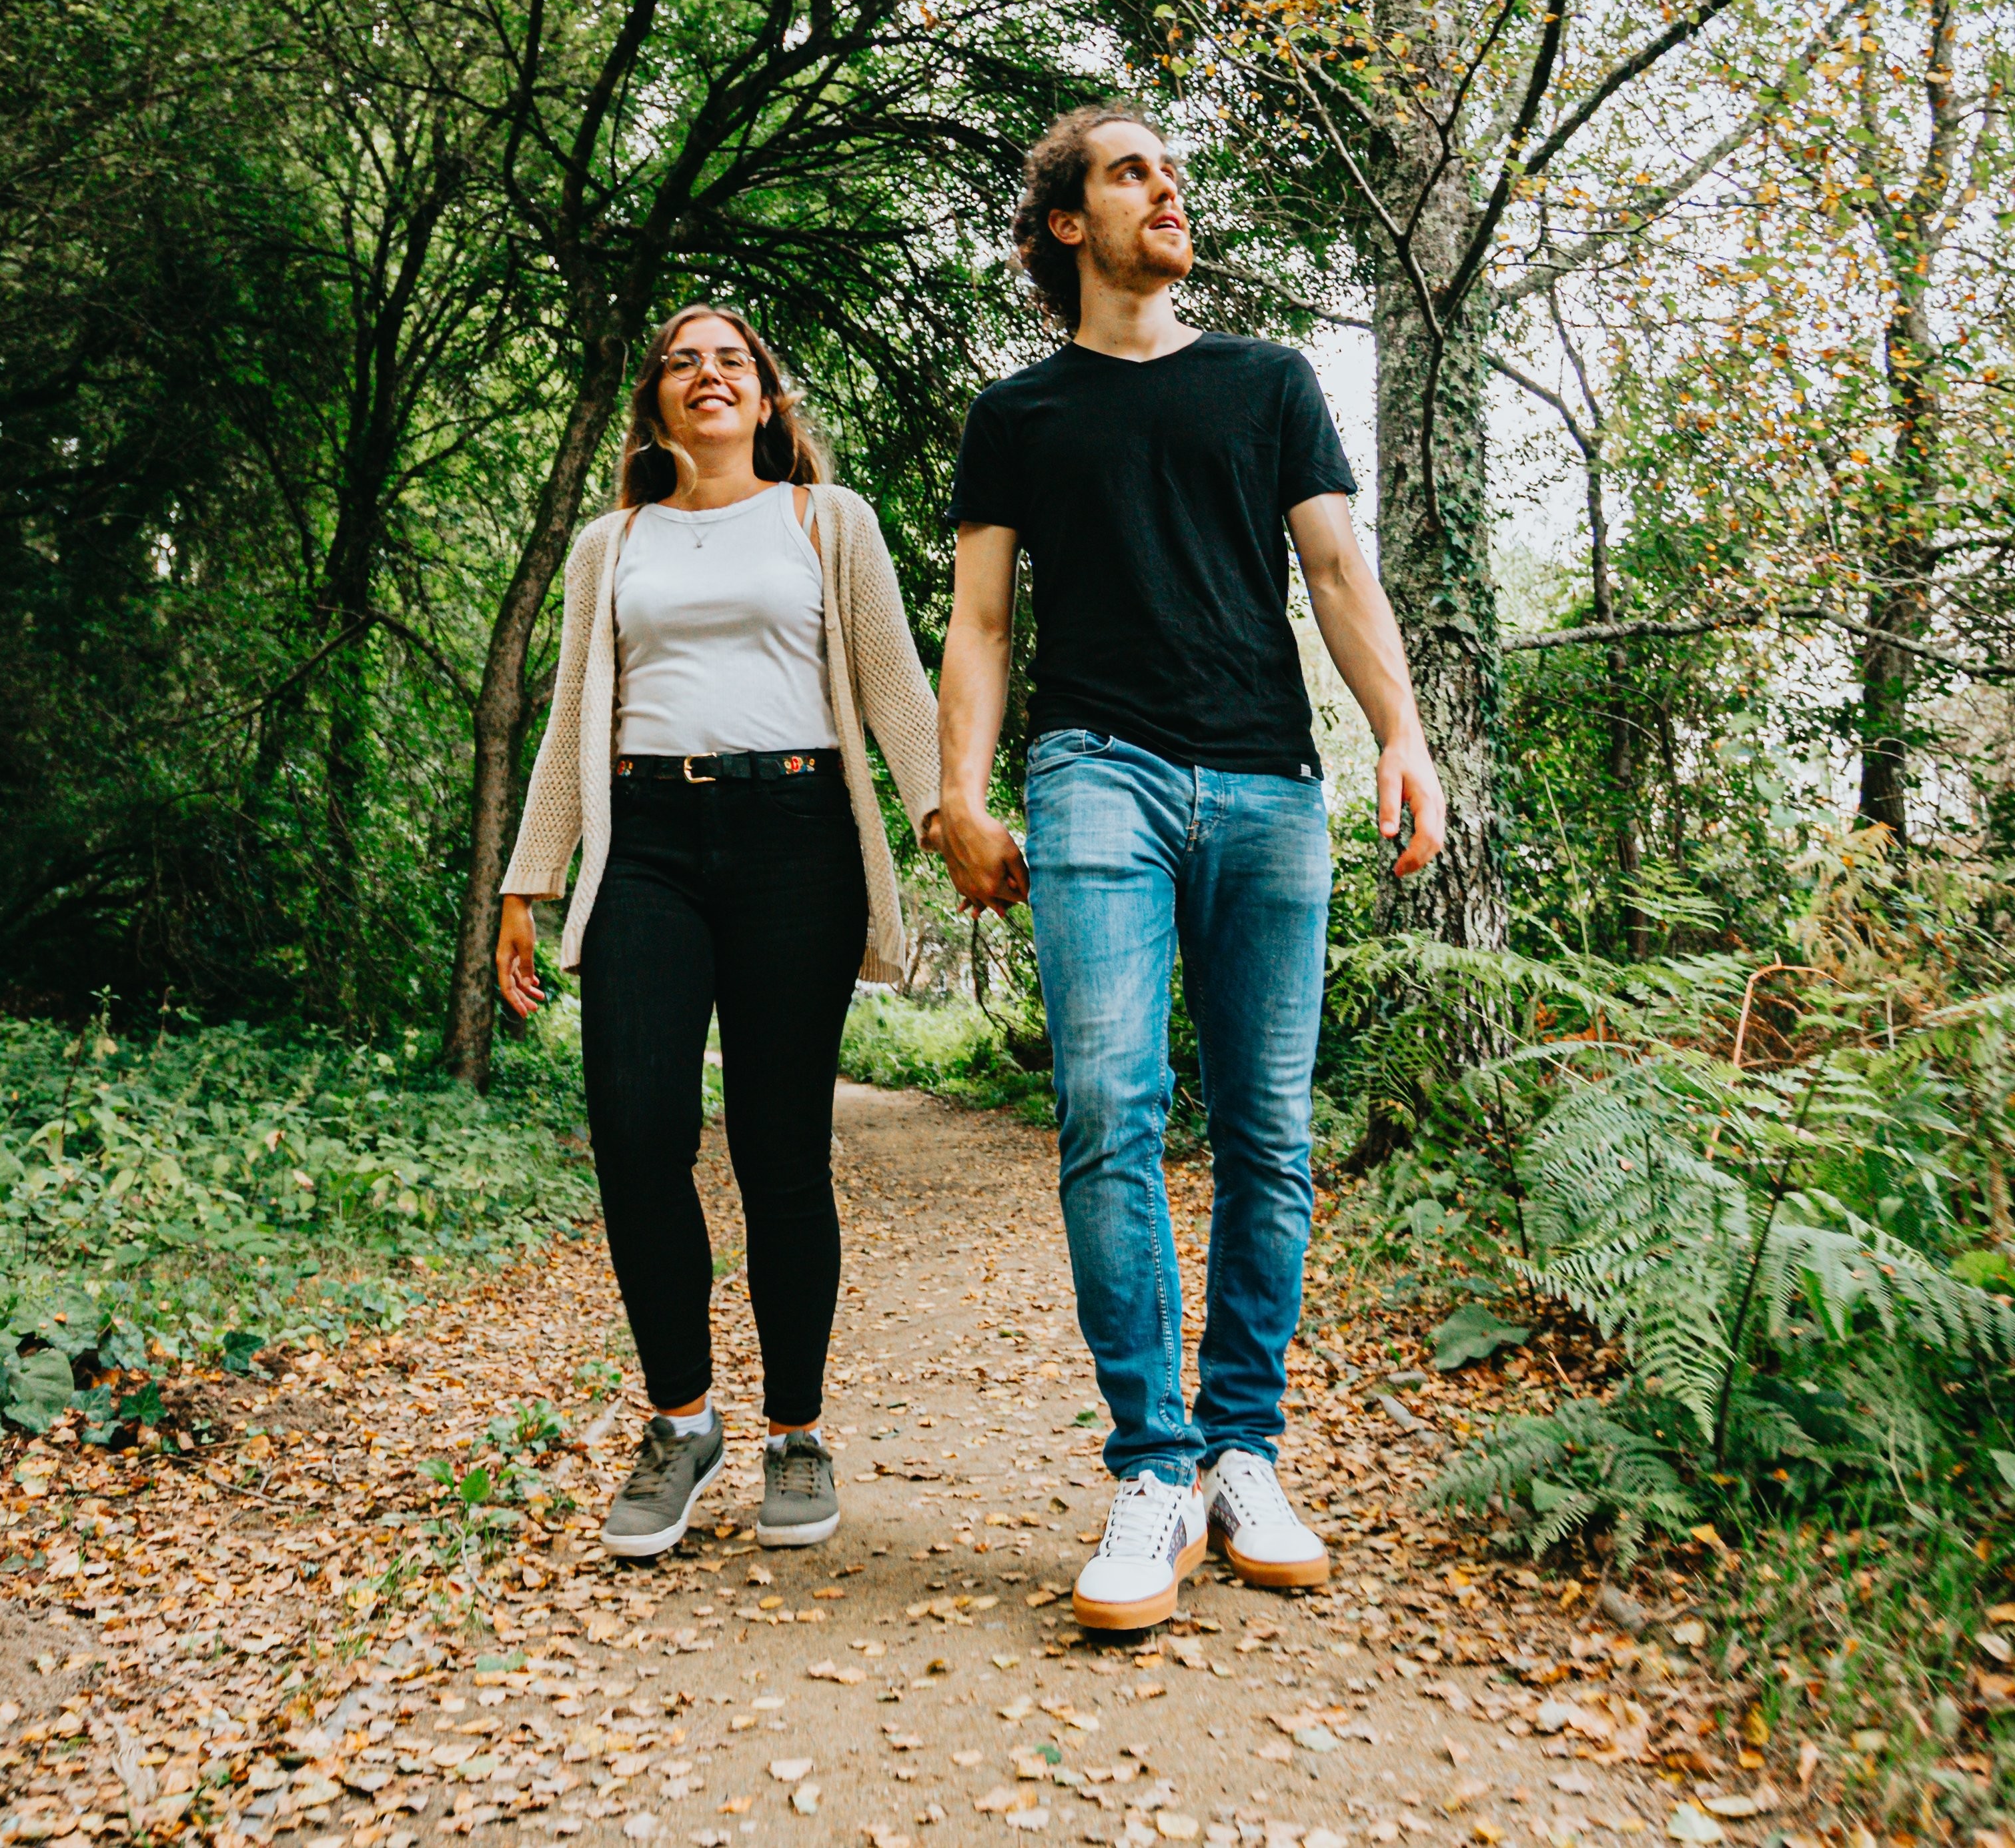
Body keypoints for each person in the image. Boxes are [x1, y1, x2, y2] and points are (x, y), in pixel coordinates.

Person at [934, 105, 1447, 1630]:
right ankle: (1152, 1467)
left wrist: (1402, 736)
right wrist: (960, 795)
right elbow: (979, 624)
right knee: (1111, 1104)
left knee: (1270, 1128)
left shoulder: (1266, 379)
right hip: (1097, 773)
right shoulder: (1015, 414)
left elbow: (1339, 571)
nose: (1165, 188)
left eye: (1170, 169)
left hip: (1271, 783)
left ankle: (1243, 1448)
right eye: (1128, 170)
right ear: (1065, 225)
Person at [498, 303, 944, 1558]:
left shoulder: (825, 518)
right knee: (636, 1130)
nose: (707, 375)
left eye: (731, 360)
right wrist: (528, 881)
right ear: (655, 404)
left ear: (765, 397)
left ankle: (795, 1432)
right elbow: (575, 713)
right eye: (683, 361)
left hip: (797, 838)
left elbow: (894, 681)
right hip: (646, 845)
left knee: (778, 1143)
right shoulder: (612, 542)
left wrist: (941, 818)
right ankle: (681, 1419)